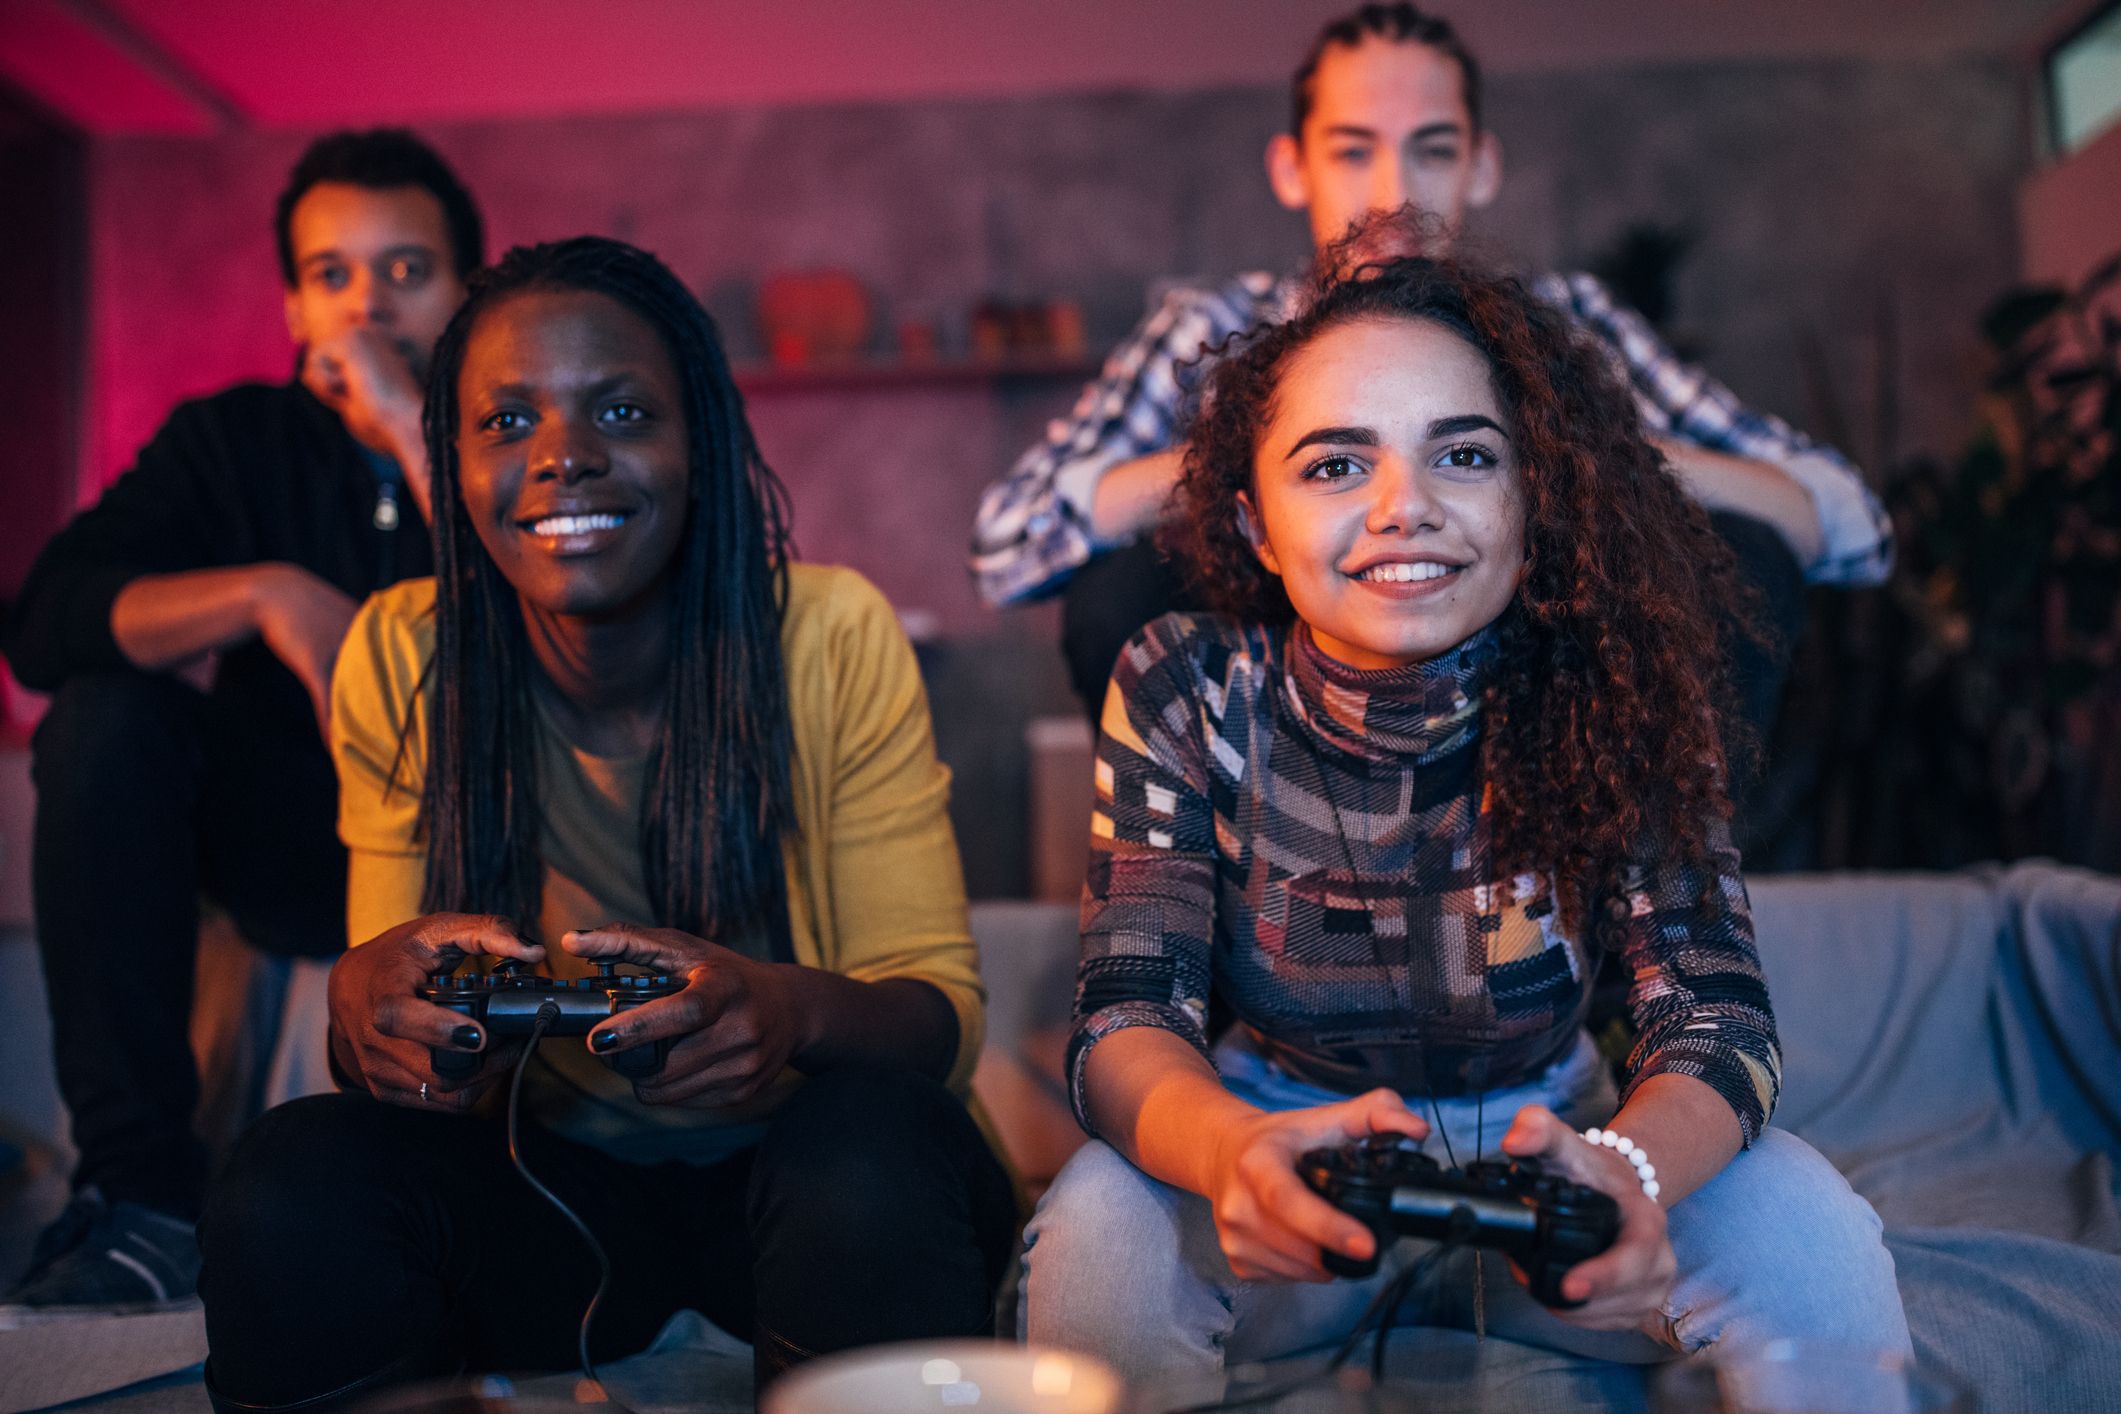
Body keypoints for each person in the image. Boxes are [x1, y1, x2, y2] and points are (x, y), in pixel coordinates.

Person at [1017, 253, 1909, 1389]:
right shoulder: (1185, 683)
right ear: (1251, 523)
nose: (1406, 506)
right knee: (1102, 1223)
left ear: (1533, 505)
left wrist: (1624, 1170)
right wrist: (1233, 1149)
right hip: (1282, 1160)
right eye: (1337, 463)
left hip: (1563, 1158)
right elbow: (1125, 1016)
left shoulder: (1627, 682)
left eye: (1466, 454)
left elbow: (1720, 1019)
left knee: (1809, 1228)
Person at [195, 238, 1017, 1410]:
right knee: (291, 1173)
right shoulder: (402, 651)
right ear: (452, 458)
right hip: (552, 1200)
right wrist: (371, 1010)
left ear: (700, 447)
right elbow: (400, 1075)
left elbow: (942, 1021)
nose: (564, 458)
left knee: (873, 1140)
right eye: (507, 421)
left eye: (622, 411)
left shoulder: (829, 634)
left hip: (811, 1189)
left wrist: (782, 1010)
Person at [968, 2, 1889, 733]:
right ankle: (1228, 886)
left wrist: (1576, 452)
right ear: (1290, 169)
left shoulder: (1571, 321)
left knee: (1745, 553)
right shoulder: (1204, 328)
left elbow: (1844, 522)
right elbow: (1008, 541)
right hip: (1280, 744)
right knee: (1120, 589)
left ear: (1482, 166)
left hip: (1549, 722)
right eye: (1352, 148)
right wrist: (1249, 470)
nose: (1393, 195)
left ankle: (1661, 891)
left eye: (1432, 148)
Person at [1, 128, 482, 1311]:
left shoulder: (509, 439)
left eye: (407, 271)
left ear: (469, 288)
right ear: (293, 303)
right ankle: (140, 1198)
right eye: (334, 276)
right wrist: (268, 591)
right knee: (103, 716)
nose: (367, 303)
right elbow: (44, 621)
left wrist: (408, 418)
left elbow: (552, 622)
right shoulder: (230, 442)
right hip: (274, 845)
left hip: (474, 846)